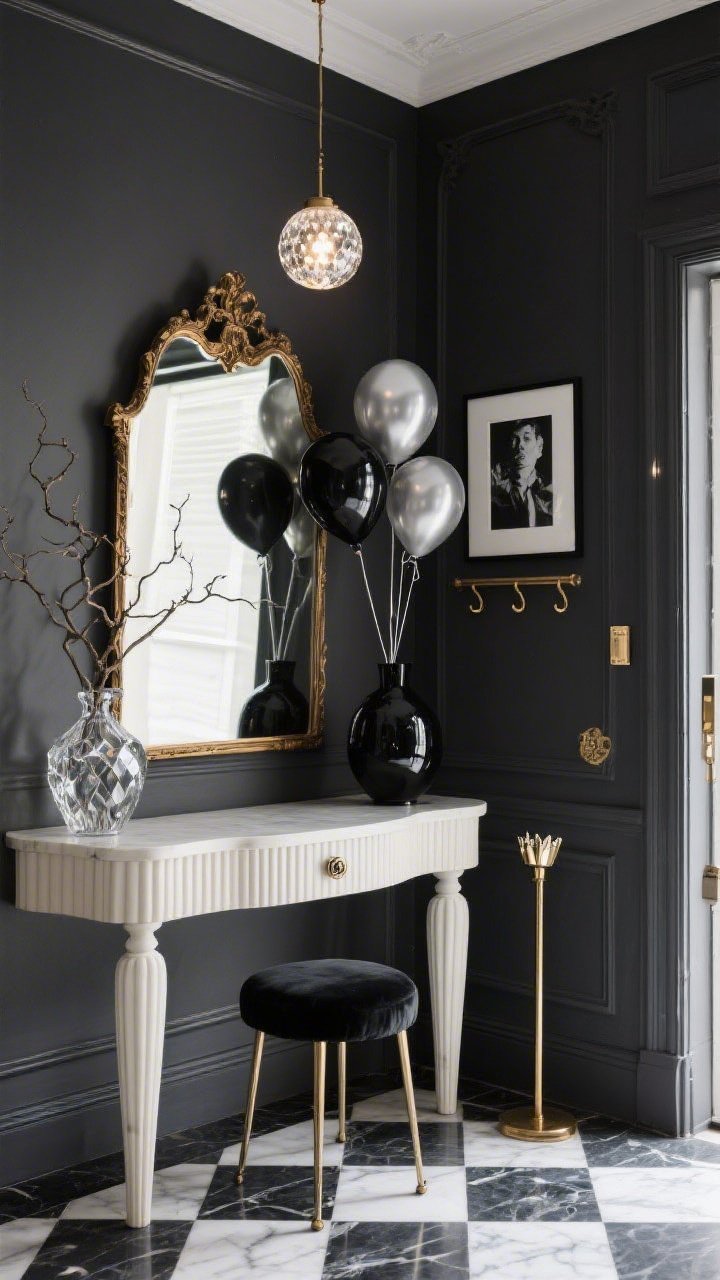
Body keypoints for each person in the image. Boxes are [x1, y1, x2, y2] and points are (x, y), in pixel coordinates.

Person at [490, 419, 553, 529]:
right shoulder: (494, 488)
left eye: (527, 439)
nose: (520, 446)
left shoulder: (549, 490)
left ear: (539, 447)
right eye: (514, 440)